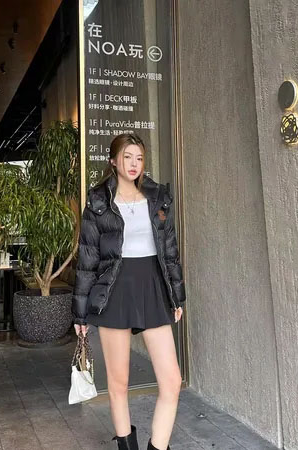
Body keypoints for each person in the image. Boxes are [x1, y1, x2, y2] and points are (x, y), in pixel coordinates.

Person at [72, 132, 186, 450]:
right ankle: (126, 445)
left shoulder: (158, 197)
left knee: (172, 381)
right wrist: (80, 314)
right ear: (113, 161)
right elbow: (87, 260)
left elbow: (170, 251)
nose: (134, 164)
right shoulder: (98, 202)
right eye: (127, 157)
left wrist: (177, 296)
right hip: (115, 290)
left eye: (139, 158)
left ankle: (157, 447)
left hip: (153, 287)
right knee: (119, 382)